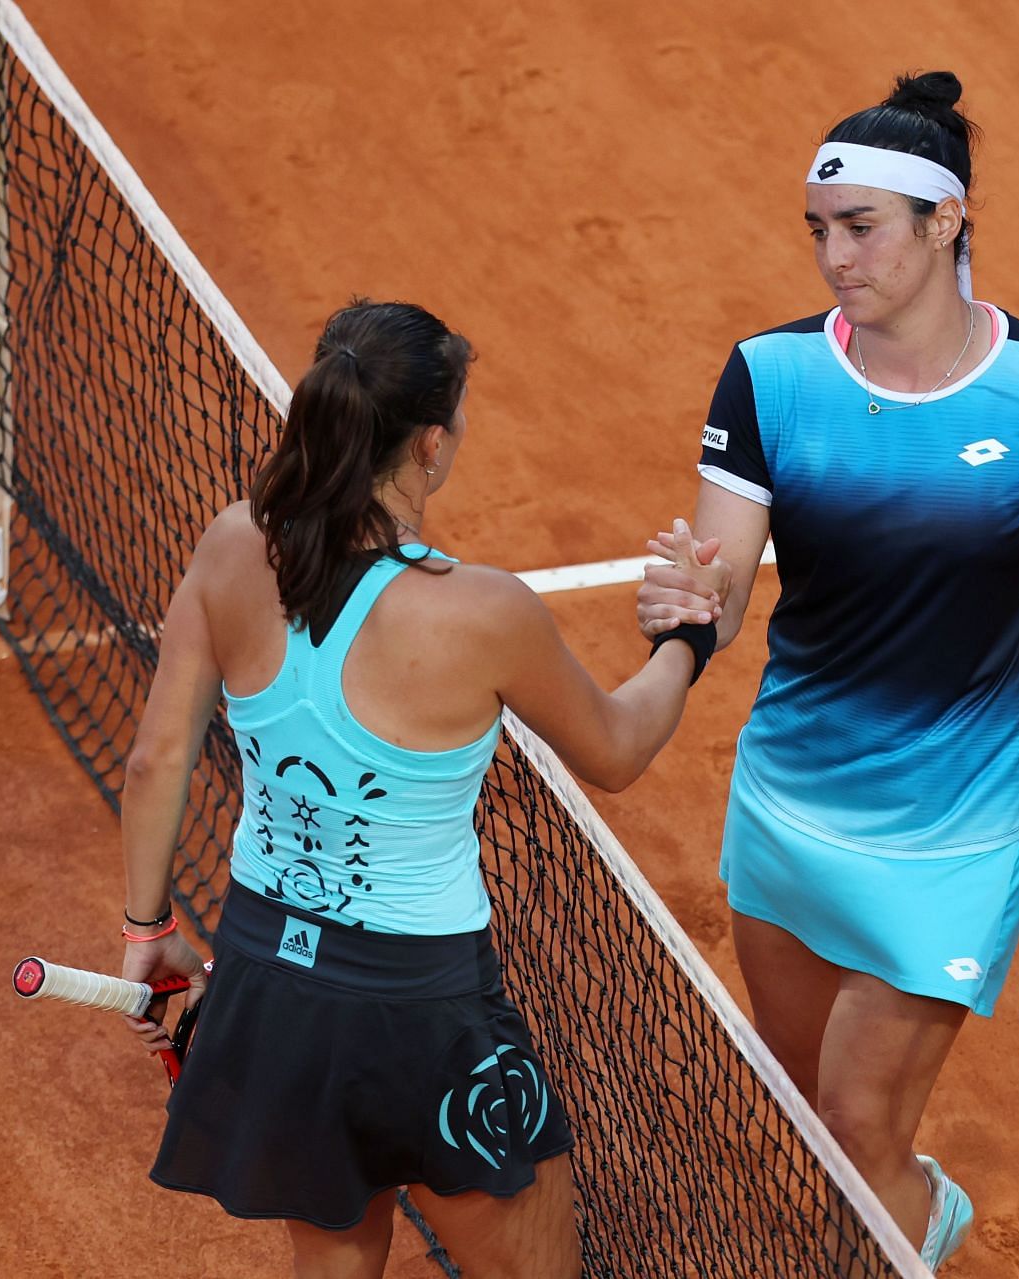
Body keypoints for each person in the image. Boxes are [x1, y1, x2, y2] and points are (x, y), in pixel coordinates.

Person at [637, 72, 1019, 1271]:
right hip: (791, 804)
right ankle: (922, 1201)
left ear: (946, 222)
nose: (835, 257)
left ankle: (903, 1228)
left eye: (862, 229)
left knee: (857, 1124)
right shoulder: (772, 378)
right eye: (821, 232)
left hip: (961, 828)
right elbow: (726, 580)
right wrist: (691, 603)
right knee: (812, 1110)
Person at [116, 298, 725, 1279]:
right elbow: (615, 748)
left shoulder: (233, 546)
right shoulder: (478, 612)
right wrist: (689, 638)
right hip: (424, 1020)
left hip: (273, 992)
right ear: (431, 443)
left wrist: (148, 930)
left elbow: (156, 758)